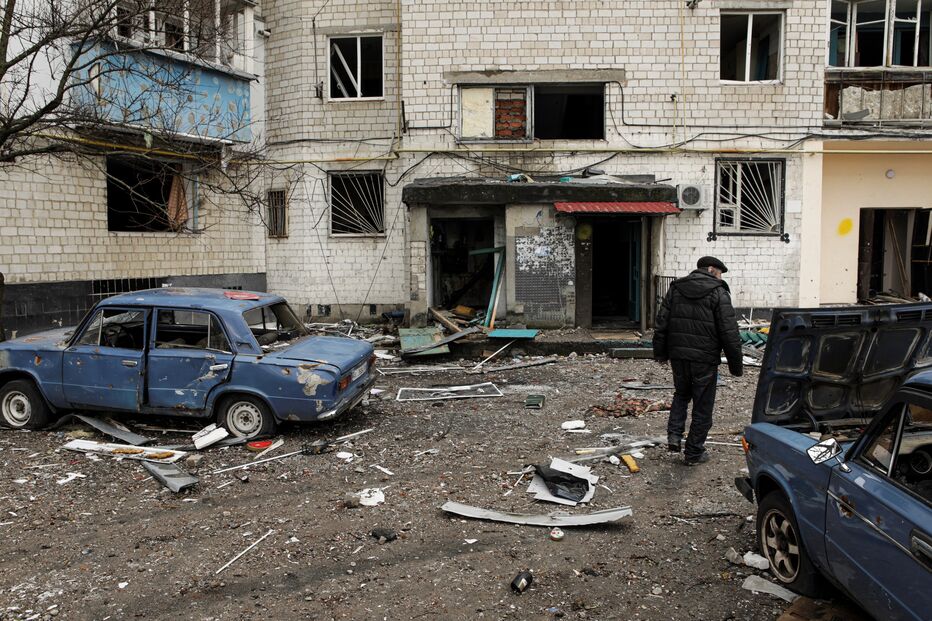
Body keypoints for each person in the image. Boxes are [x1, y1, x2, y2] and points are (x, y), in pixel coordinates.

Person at [653, 256, 743, 465]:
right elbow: (729, 332)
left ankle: (674, 436)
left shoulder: (676, 288)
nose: (720, 277)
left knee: (681, 394)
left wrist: (660, 353)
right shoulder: (718, 292)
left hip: (679, 356)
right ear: (712, 269)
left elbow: (662, 322)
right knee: (703, 405)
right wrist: (735, 366)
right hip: (704, 359)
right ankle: (693, 452)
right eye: (719, 273)